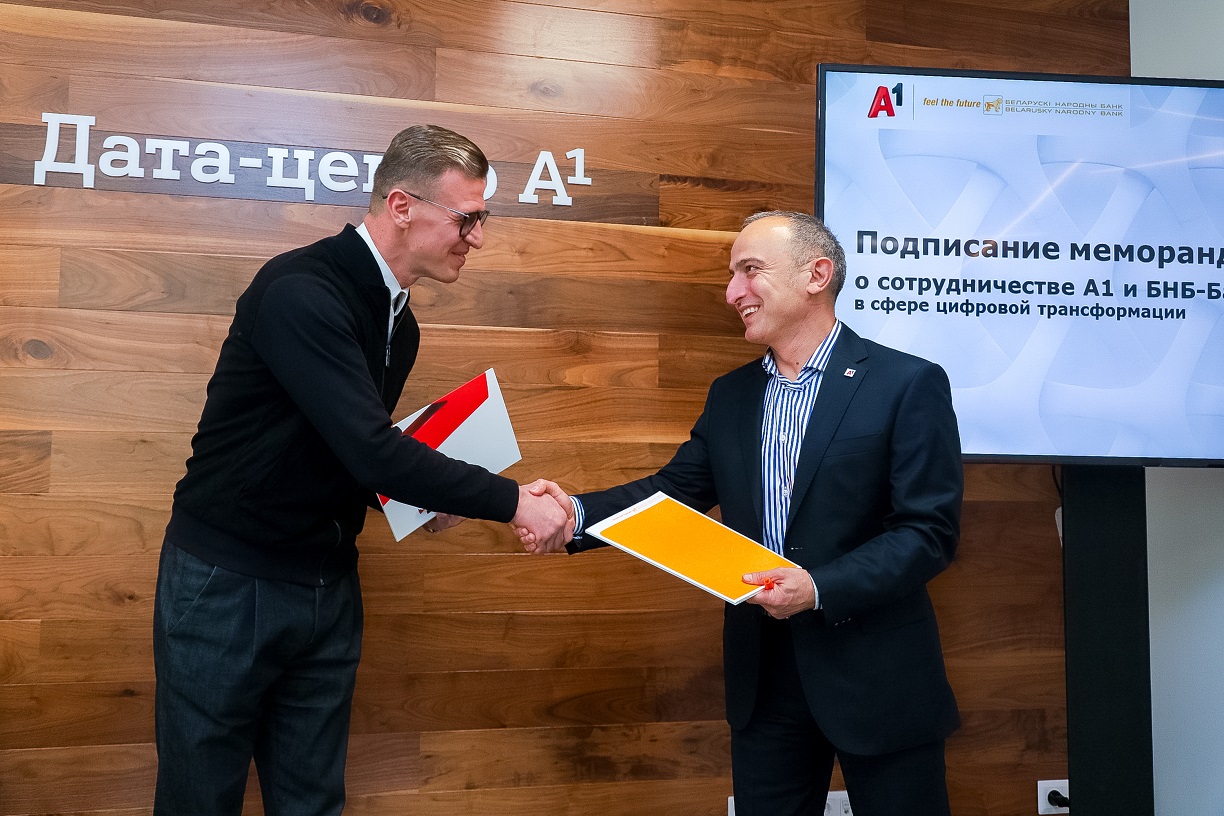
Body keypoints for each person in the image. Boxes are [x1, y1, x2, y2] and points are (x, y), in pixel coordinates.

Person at [153, 124, 570, 815]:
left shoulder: (401, 325)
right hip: (228, 584)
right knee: (200, 799)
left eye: (482, 219)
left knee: (313, 802)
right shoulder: (301, 290)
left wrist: (415, 502)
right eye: (467, 219)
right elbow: (371, 449)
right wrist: (515, 503)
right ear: (402, 206)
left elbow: (342, 452)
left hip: (326, 585)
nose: (477, 238)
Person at [518, 212, 963, 816]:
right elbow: (672, 492)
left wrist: (818, 587)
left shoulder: (907, 383)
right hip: (765, 678)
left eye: (750, 271)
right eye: (732, 276)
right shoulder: (732, 395)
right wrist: (573, 514)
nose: (733, 293)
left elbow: (927, 533)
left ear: (816, 275)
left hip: (878, 677)